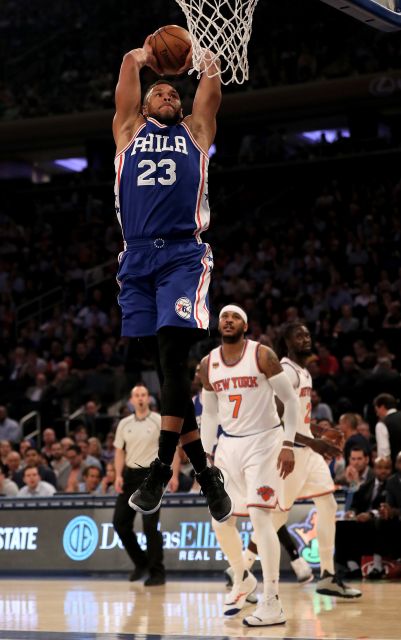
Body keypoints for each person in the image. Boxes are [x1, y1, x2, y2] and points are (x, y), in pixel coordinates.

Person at [113, 36, 231, 522]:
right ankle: (205, 473)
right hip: (136, 260)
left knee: (173, 353)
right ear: (143, 104)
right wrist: (140, 56)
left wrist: (204, 61)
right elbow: (126, 71)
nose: (169, 97)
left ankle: (163, 467)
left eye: (172, 93)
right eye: (159, 93)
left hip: (183, 254)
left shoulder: (196, 131)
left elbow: (210, 89)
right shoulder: (128, 130)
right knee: (165, 371)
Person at [226, 323, 361, 600]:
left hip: (307, 450)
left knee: (328, 503)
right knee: (277, 515)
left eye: (307, 334)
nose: (305, 338)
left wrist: (320, 431)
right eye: (298, 335)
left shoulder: (304, 371)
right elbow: (275, 415)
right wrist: (314, 441)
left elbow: (298, 416)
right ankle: (240, 568)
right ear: (287, 342)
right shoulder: (286, 370)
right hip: (290, 452)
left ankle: (327, 576)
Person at [199, 305, 299, 626]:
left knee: (260, 518)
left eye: (235, 317)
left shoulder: (262, 355)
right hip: (229, 445)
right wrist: (205, 455)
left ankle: (272, 601)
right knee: (220, 518)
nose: (227, 320)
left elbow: (291, 400)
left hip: (265, 441)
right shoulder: (208, 364)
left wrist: (288, 442)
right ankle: (243, 578)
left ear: (245, 325)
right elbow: (210, 414)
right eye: (224, 316)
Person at [113, 384, 179, 586]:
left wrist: (174, 475)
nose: (140, 398)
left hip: (152, 476)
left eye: (143, 395)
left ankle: (158, 573)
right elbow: (119, 451)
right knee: (120, 523)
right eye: (136, 395)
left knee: (150, 527)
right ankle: (141, 563)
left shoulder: (158, 420)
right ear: (131, 400)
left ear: (148, 398)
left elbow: (173, 447)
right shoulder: (124, 423)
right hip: (130, 474)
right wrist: (117, 475)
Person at [374, 393, 401, 466]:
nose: (377, 414)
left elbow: (384, 454)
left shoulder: (382, 424)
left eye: (377, 410)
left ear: (382, 407)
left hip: (396, 471)